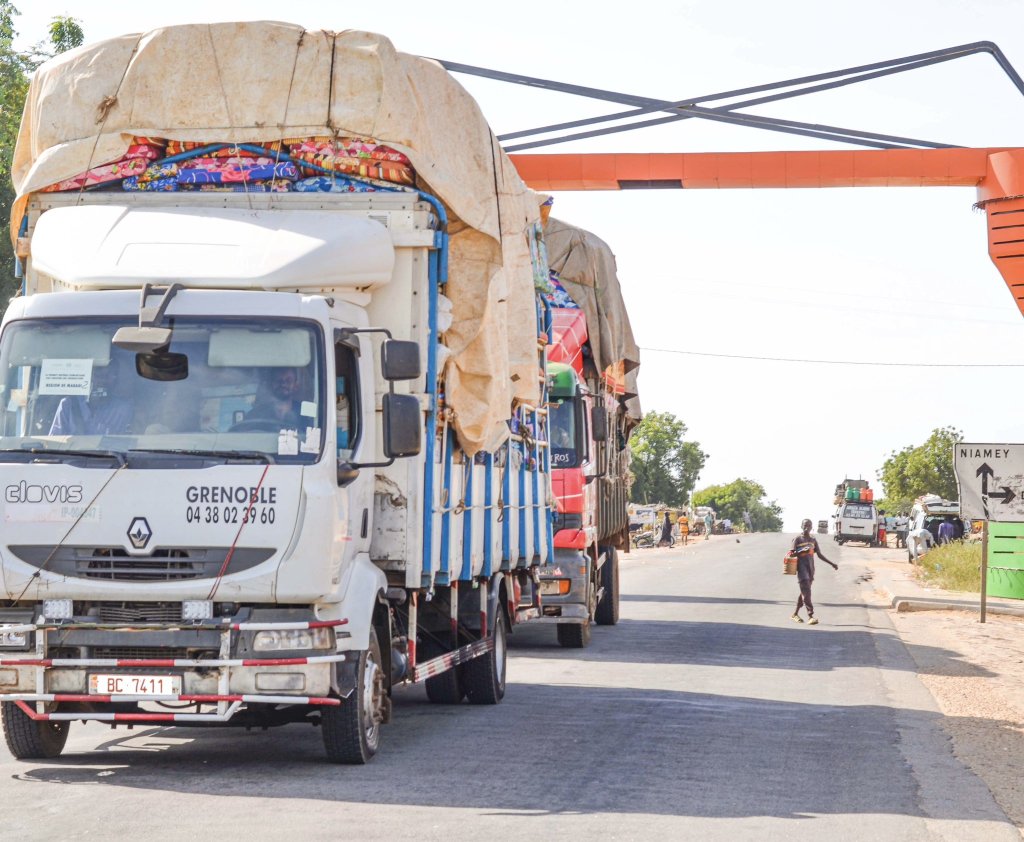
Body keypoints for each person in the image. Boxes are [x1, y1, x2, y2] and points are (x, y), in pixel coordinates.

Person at [49, 359, 133, 436]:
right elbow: (53, 443)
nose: (103, 381)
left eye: (108, 376)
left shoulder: (123, 410)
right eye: (98, 375)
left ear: (116, 379)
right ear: (89, 377)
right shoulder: (68, 404)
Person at [791, 518, 838, 625]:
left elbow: (819, 554)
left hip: (811, 569)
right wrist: (802, 550)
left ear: (812, 527)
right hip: (801, 569)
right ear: (801, 526)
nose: (806, 527)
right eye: (804, 525)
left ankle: (795, 614)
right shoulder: (797, 539)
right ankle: (810, 615)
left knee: (804, 592)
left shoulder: (813, 540)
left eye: (809, 525)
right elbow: (791, 554)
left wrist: (832, 564)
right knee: (807, 591)